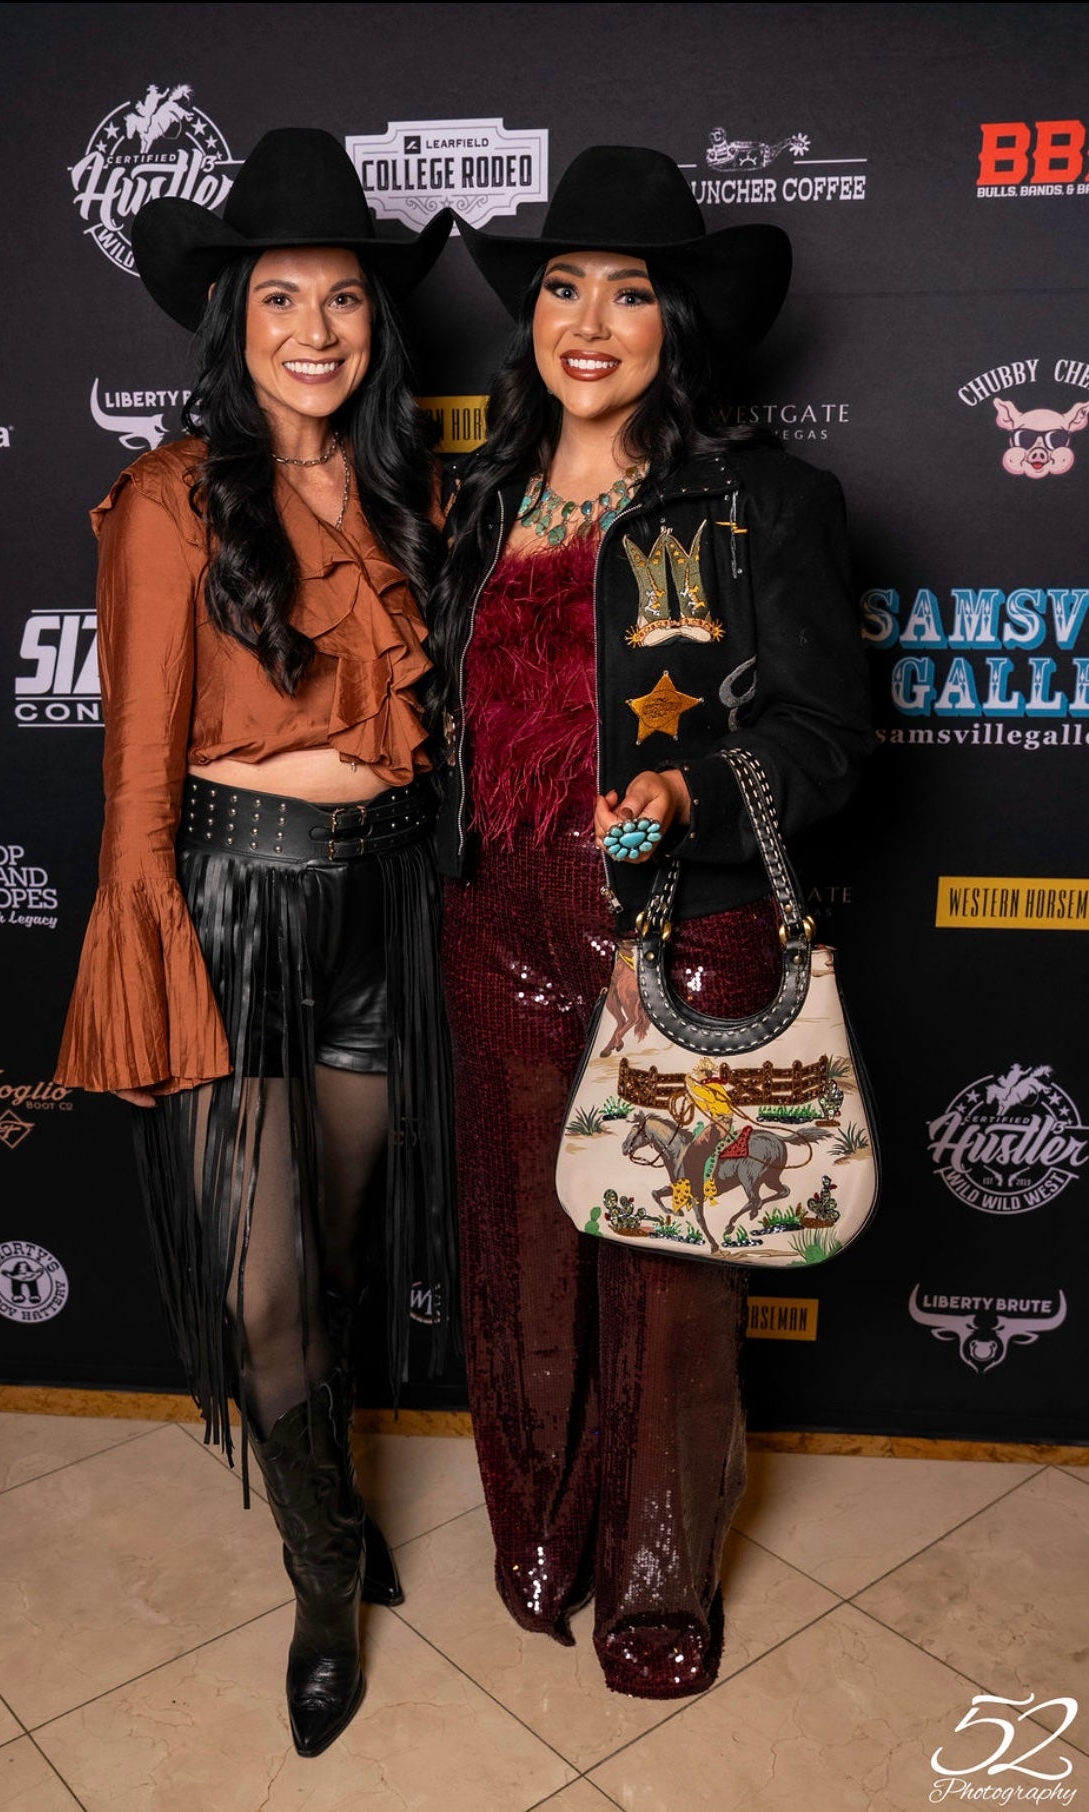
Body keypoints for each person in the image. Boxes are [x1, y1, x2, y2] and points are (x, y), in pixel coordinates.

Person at [431, 145, 873, 1698]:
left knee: (674, 1266)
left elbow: (828, 739)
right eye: (562, 288)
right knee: (518, 1246)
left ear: (677, 323)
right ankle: (539, 1530)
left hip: (684, 922)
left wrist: (690, 793)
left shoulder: (765, 502)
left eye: (629, 293)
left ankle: (654, 1581)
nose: (588, 322)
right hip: (493, 912)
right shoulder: (471, 503)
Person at [55, 129, 453, 1757]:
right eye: (280, 297)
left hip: (381, 902)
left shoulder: (412, 487)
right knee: (264, 1283)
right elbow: (137, 762)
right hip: (232, 906)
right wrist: (144, 944)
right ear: (233, 320)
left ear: (375, 321)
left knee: (338, 1252)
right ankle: (323, 1578)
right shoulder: (171, 498)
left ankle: (332, 1498)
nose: (314, 328)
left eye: (343, 298)